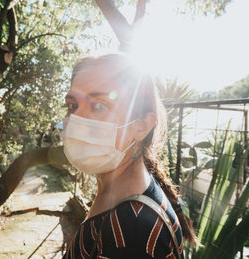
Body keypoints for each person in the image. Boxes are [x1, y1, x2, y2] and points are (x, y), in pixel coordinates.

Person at [62, 53, 195, 259]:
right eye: (73, 105)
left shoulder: (133, 233)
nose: (78, 121)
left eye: (99, 106)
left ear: (141, 127)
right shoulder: (121, 198)